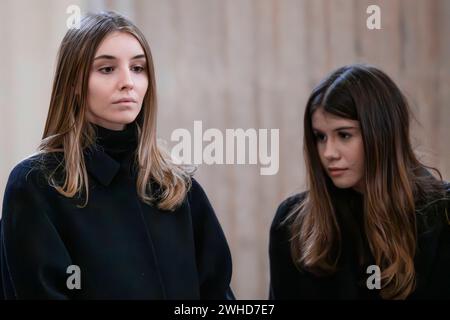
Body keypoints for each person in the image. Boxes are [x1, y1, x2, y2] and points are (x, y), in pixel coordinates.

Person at [0, 11, 234, 300]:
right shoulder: (37, 184)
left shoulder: (177, 186)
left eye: (138, 68)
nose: (128, 82)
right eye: (107, 69)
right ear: (73, 83)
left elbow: (218, 294)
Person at [269, 64, 450, 300]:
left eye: (344, 135)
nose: (328, 152)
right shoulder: (292, 223)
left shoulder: (443, 215)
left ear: (381, 135)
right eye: (320, 137)